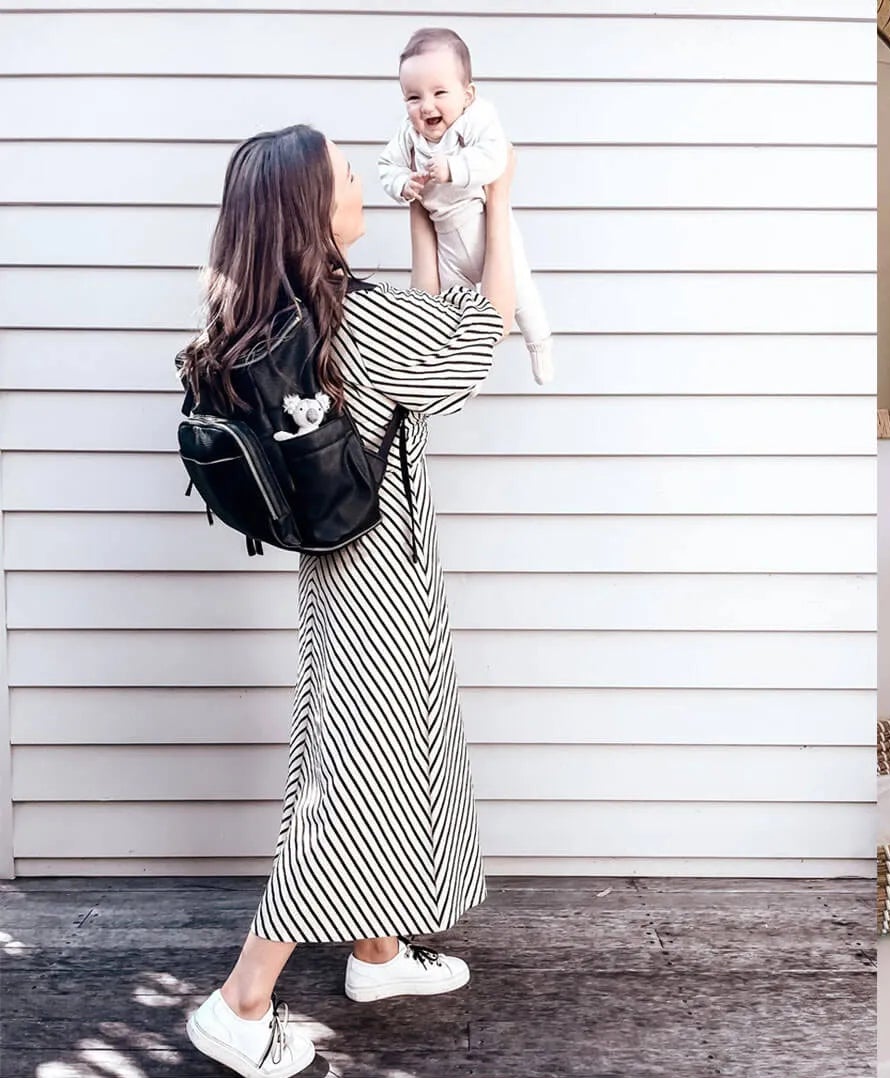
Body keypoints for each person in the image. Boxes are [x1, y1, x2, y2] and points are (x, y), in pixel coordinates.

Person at [175, 123, 516, 1078]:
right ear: (308, 211)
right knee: (350, 786)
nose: (361, 181)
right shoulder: (357, 324)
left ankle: (374, 954)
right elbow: (476, 336)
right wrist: (498, 193)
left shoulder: (279, 320)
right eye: (344, 177)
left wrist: (418, 216)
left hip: (335, 579)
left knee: (365, 760)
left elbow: (430, 318)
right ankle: (241, 1005)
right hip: (384, 586)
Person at [377, 26, 554, 384]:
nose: (426, 105)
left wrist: (454, 168)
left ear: (467, 95)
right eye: (413, 97)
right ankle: (466, 375)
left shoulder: (478, 119)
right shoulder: (407, 136)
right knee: (455, 312)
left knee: (519, 291)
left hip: (483, 226)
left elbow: (495, 158)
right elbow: (386, 166)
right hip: (445, 239)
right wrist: (402, 184)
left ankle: (540, 344)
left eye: (439, 92)